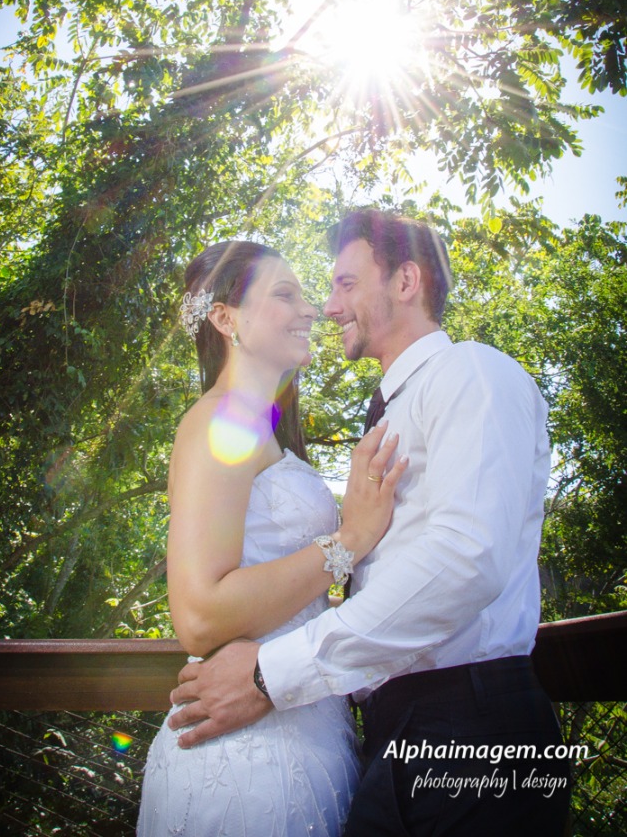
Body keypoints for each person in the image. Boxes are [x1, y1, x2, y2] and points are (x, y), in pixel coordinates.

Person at [168, 211, 572, 836]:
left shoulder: (471, 373)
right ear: (226, 320)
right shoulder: (380, 415)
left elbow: (466, 558)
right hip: (384, 733)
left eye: (343, 285)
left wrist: (275, 673)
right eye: (299, 292)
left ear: (406, 281)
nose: (325, 309)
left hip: (469, 730)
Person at [136, 239, 409, 837]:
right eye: (286, 294)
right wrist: (350, 540)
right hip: (246, 765)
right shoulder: (220, 420)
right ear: (226, 318)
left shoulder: (266, 429)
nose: (311, 309)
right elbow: (200, 615)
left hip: (300, 726)